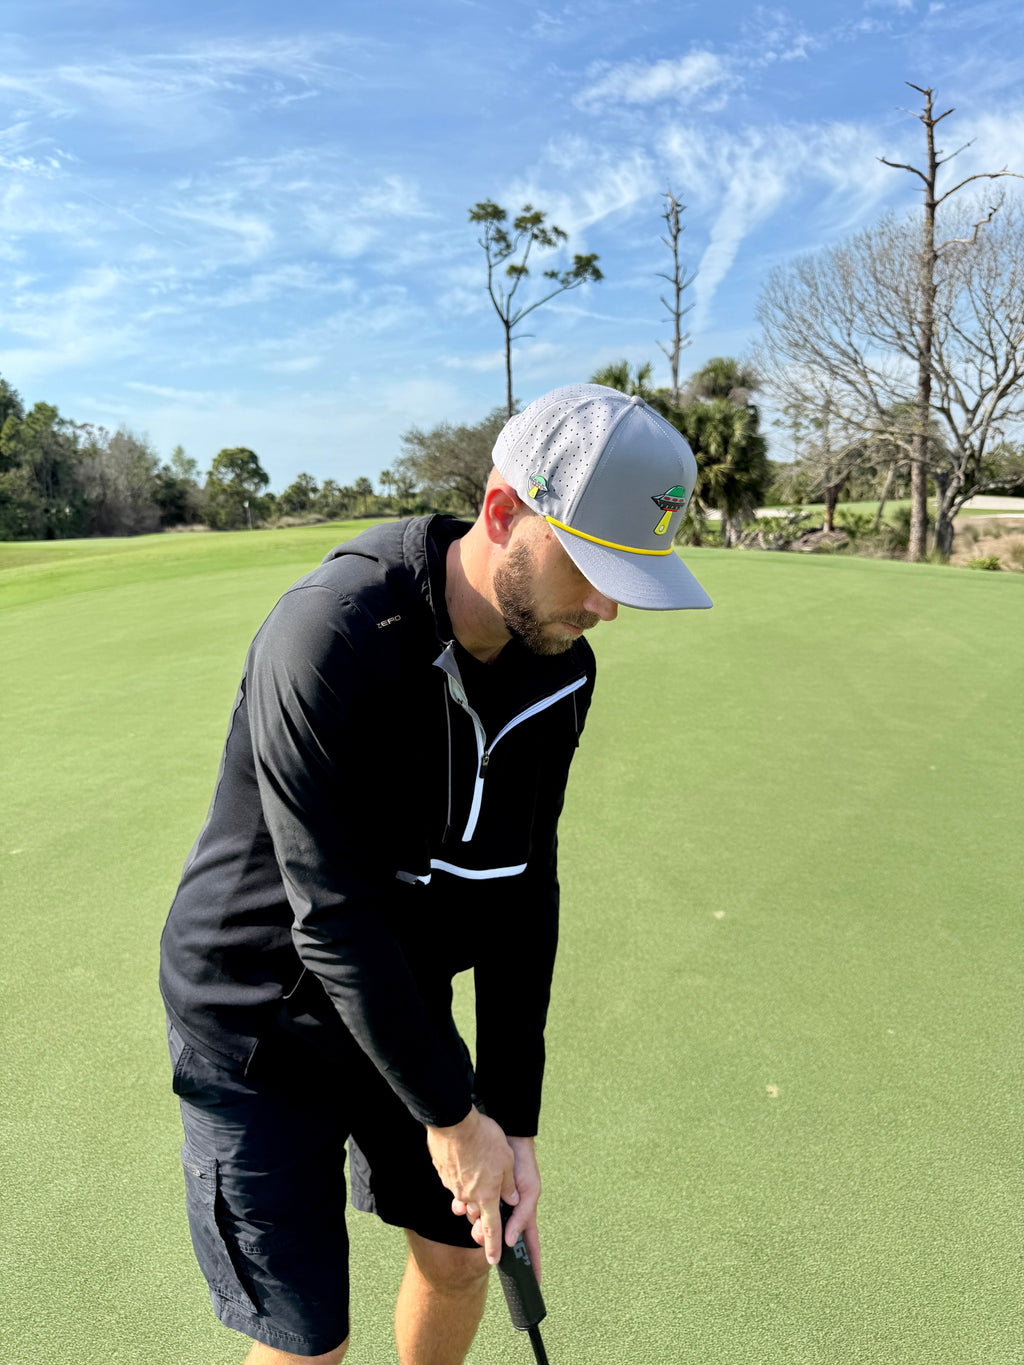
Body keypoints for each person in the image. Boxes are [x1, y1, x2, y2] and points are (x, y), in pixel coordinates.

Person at [159, 383, 712, 1365]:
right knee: (309, 1345)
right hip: (259, 1018)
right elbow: (332, 919)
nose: (607, 607)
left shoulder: (561, 666)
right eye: (590, 567)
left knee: (461, 1256)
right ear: (501, 512)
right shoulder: (332, 635)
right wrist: (455, 1121)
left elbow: (524, 888)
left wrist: (511, 1119)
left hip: (400, 1002)